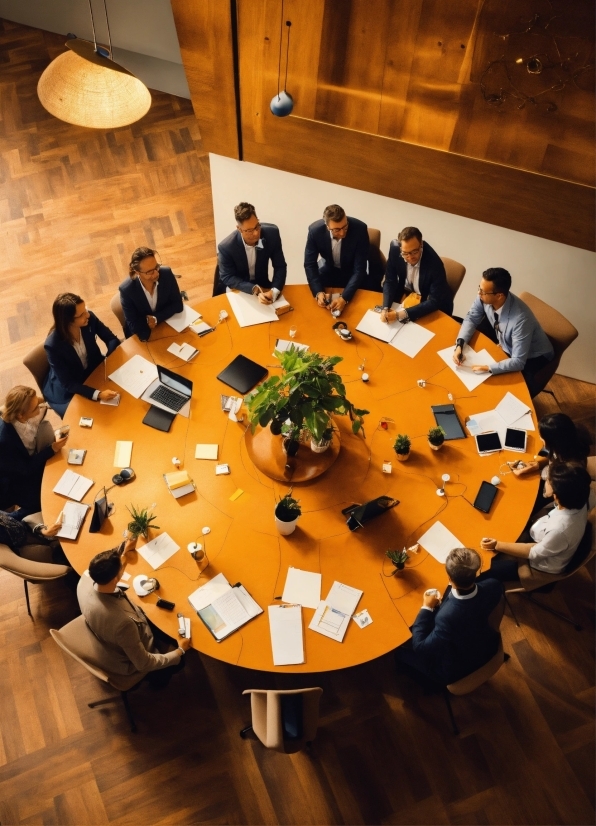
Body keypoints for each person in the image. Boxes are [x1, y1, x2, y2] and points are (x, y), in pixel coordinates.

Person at [77, 537, 191, 683]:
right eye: (121, 568)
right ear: (115, 578)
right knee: (179, 658)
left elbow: (112, 572)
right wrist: (179, 651)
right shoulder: (123, 623)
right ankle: (158, 681)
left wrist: (124, 552)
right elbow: (143, 663)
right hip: (131, 655)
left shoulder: (84, 581)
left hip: (105, 628)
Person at [395, 548, 502, 685]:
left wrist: (426, 608)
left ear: (450, 578)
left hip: (458, 667)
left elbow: (420, 647)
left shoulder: (446, 617)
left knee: (399, 652)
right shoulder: (493, 585)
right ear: (477, 572)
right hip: (487, 645)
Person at [480, 462, 591, 581]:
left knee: (483, 569)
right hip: (541, 536)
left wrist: (497, 545)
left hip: (537, 565)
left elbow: (533, 553)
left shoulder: (560, 530)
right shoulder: (578, 498)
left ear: (557, 494)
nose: (545, 480)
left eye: (549, 481)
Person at [453, 268, 554, 396]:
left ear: (499, 295)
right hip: (506, 339)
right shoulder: (484, 296)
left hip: (534, 356)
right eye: (479, 288)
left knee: (502, 388)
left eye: (483, 291)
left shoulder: (521, 320)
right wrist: (460, 345)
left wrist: (488, 368)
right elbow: (472, 318)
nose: (478, 293)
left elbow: (518, 361)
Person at [43, 293, 120, 418]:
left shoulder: (89, 319)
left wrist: (108, 361)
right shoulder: (53, 345)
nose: (88, 315)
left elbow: (111, 339)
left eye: (85, 310)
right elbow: (68, 384)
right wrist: (97, 394)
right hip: (70, 387)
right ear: (67, 321)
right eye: (82, 314)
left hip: (94, 370)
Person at [0, 386, 69, 517]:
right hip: (14, 481)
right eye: (35, 408)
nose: (40, 410)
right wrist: (51, 449)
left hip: (25, 461)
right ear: (21, 415)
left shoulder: (19, 415)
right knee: (42, 500)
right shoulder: (4, 441)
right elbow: (25, 469)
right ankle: (14, 517)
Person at [304, 204, 368, 313]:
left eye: (345, 227)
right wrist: (318, 292)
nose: (343, 233)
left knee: (357, 307)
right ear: (327, 226)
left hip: (352, 272)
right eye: (337, 230)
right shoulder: (315, 231)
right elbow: (310, 264)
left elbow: (359, 269)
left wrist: (344, 298)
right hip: (329, 269)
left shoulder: (360, 229)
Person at [380, 227, 453, 323]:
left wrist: (399, 315)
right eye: (405, 253)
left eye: (414, 252)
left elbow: (434, 301)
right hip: (408, 296)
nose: (410, 257)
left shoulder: (435, 264)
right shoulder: (395, 250)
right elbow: (390, 280)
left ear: (421, 245)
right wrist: (385, 308)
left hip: (432, 304)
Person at [217, 203, 287, 302]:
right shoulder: (226, 247)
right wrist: (254, 289)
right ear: (239, 229)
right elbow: (227, 276)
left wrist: (274, 291)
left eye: (257, 226)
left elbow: (280, 266)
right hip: (238, 288)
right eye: (249, 230)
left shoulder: (272, 234)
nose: (256, 233)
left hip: (264, 286)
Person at [119, 247, 184, 341]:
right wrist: (147, 321)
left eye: (156, 267)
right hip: (143, 335)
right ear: (137, 273)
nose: (156, 274)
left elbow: (178, 305)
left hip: (166, 325)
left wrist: (156, 318)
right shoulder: (126, 290)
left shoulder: (166, 274)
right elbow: (133, 325)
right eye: (150, 272)